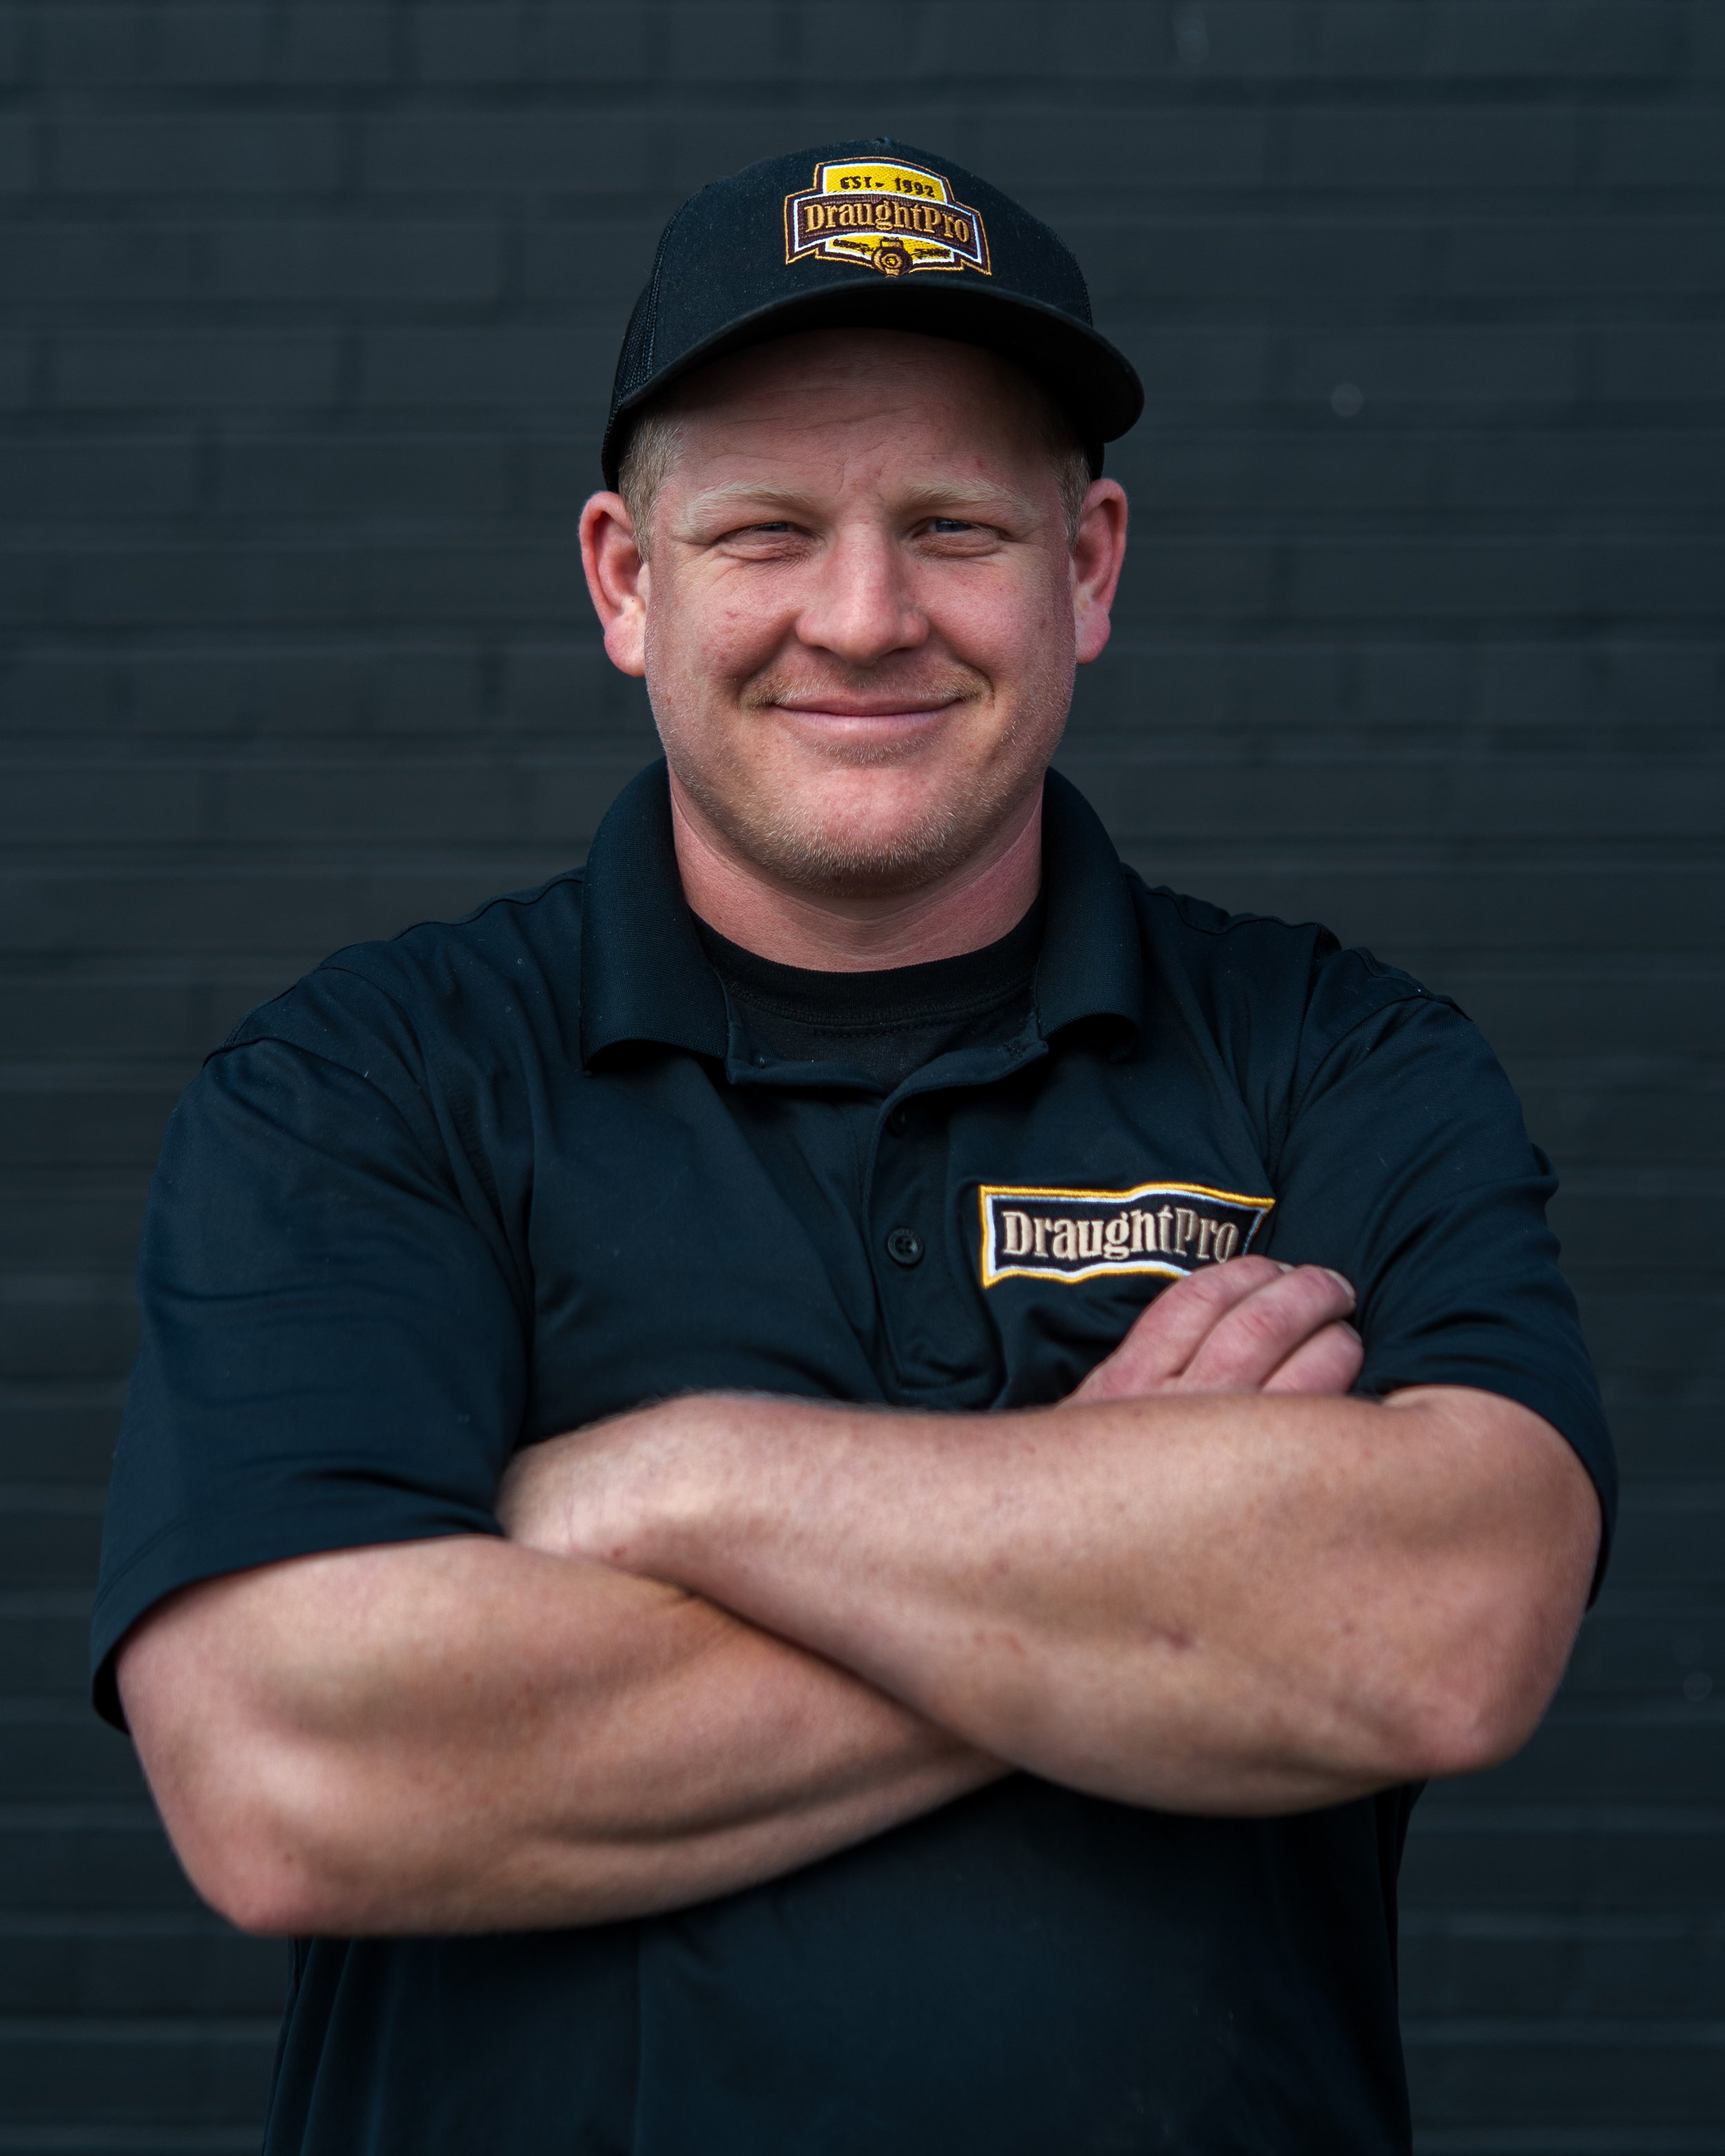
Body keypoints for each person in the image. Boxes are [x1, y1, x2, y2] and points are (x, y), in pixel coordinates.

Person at [95, 142, 1611, 2155]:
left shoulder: (1337, 1064)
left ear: (1088, 567)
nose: (865, 613)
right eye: (769, 531)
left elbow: (1442, 1632)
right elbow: (292, 1775)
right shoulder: (368, 1088)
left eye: (955, 524)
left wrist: (664, 1482)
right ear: (629, 585)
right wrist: (1132, 1554)